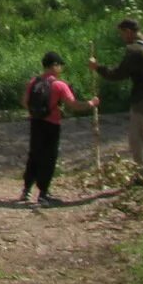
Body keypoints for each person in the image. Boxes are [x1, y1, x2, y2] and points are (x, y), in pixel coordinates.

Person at [90, 17, 143, 180]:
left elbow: (118, 74)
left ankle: (142, 175)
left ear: (128, 31)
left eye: (122, 34)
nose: (122, 37)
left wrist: (97, 68)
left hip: (142, 100)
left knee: (137, 138)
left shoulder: (135, 50)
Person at [21, 51, 96, 205]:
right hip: (52, 125)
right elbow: (73, 105)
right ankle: (43, 193)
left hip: (35, 122)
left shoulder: (33, 82)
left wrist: (37, 113)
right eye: (60, 65)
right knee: (49, 157)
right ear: (54, 66)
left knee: (34, 154)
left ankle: (26, 190)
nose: (61, 68)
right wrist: (91, 103)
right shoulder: (59, 85)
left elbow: (24, 102)